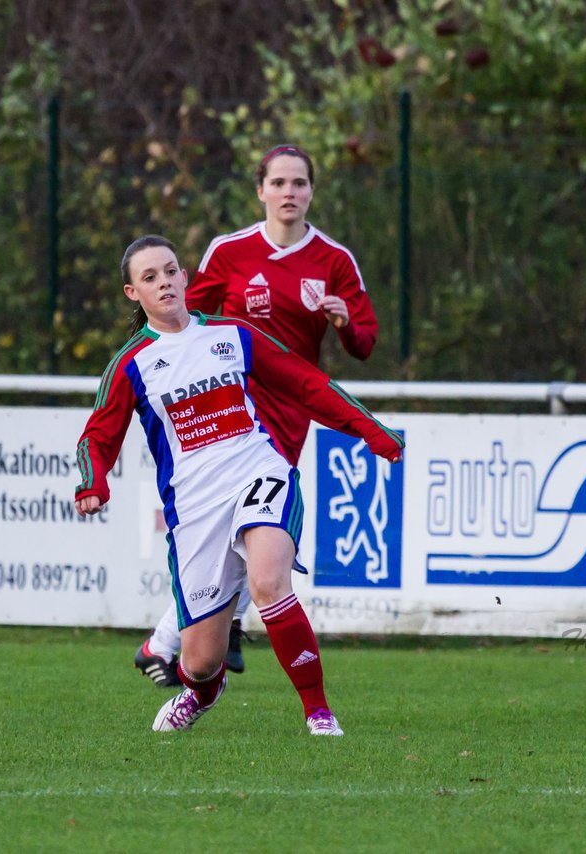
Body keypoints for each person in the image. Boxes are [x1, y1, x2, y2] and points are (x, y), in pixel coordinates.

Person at [75, 235, 402, 735]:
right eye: (149, 277)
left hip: (259, 472)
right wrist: (92, 482)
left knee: (269, 580)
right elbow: (99, 434)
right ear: (131, 293)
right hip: (196, 509)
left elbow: (305, 382)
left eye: (170, 271)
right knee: (201, 661)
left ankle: (318, 712)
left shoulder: (231, 333)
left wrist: (371, 430)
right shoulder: (131, 363)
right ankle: (203, 691)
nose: (163, 282)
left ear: (186, 278)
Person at [133, 144, 379, 686]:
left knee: (257, 533)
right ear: (261, 190)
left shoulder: (334, 260)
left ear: (312, 190)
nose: (289, 192)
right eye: (279, 183)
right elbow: (184, 316)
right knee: (240, 530)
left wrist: (342, 324)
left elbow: (365, 342)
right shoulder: (231, 251)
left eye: (299, 183)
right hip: (234, 411)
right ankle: (185, 637)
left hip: (292, 411)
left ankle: (175, 638)